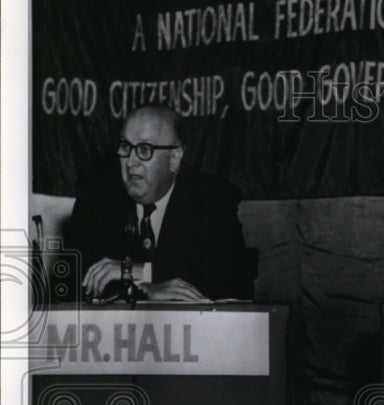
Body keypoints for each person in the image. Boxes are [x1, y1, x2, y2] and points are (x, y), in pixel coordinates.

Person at [67, 105, 252, 301]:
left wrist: (143, 276)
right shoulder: (96, 198)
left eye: (144, 149)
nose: (130, 162)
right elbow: (70, 281)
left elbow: (231, 279)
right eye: (125, 147)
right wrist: (143, 290)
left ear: (174, 158)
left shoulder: (213, 198)